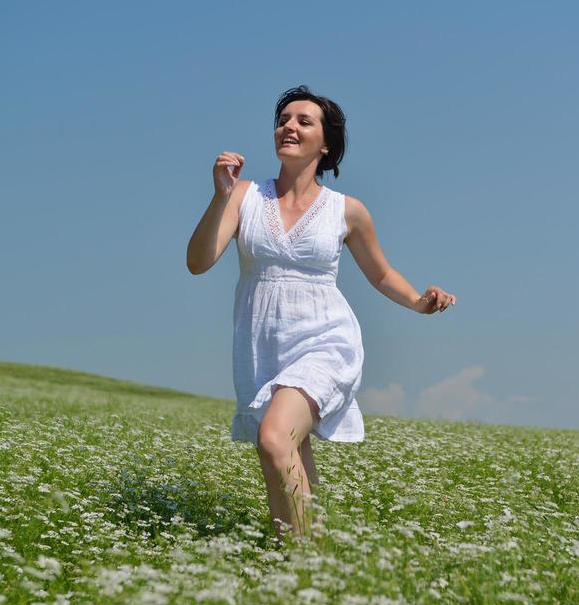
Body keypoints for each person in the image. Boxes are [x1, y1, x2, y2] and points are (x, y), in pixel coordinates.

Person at [186, 85, 457, 543]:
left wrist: (419, 301)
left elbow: (381, 273)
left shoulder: (347, 211)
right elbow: (197, 262)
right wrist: (219, 196)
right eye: (283, 119)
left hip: (325, 341)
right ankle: (302, 560)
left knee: (274, 437)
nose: (288, 126)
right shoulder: (244, 196)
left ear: (325, 143)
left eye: (303, 121)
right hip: (262, 345)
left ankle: (303, 565)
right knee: (280, 452)